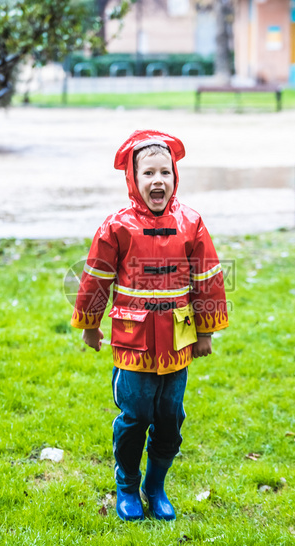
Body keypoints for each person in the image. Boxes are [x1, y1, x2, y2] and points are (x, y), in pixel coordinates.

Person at [71, 129, 228, 521]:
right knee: (135, 414)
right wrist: (91, 325)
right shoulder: (117, 226)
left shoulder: (191, 222)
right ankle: (126, 484)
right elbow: (96, 276)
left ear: (175, 177)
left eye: (166, 173)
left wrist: (205, 331)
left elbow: (207, 277)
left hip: (177, 341)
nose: (158, 181)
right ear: (133, 179)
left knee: (170, 418)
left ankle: (155, 486)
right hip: (133, 341)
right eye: (148, 174)